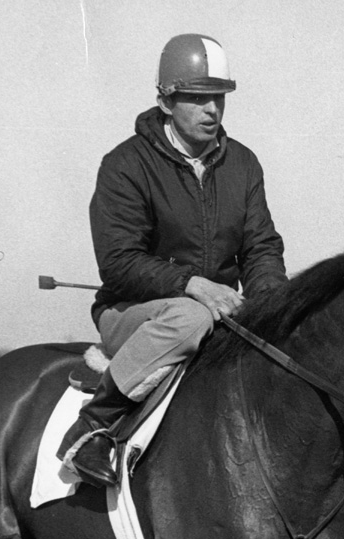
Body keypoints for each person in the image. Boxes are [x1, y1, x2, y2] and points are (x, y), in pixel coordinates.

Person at [59, 33, 287, 487]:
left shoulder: (244, 164)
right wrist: (194, 285)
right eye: (198, 99)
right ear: (166, 101)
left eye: (218, 99)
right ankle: (91, 428)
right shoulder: (125, 164)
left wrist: (272, 308)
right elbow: (119, 262)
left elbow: (261, 248)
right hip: (131, 312)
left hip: (215, 313)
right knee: (190, 316)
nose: (212, 111)